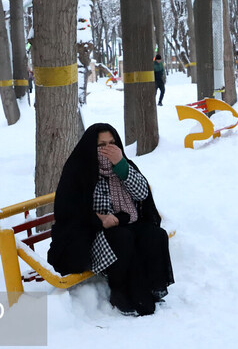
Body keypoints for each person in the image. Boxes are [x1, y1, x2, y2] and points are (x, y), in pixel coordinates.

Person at [47, 123, 174, 316]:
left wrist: (121, 166)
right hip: (91, 233)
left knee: (154, 234)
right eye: (101, 145)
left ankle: (152, 287)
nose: (108, 148)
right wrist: (99, 220)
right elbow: (68, 209)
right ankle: (120, 292)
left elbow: (142, 194)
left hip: (126, 223)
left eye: (112, 143)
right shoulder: (79, 169)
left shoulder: (124, 164)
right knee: (122, 238)